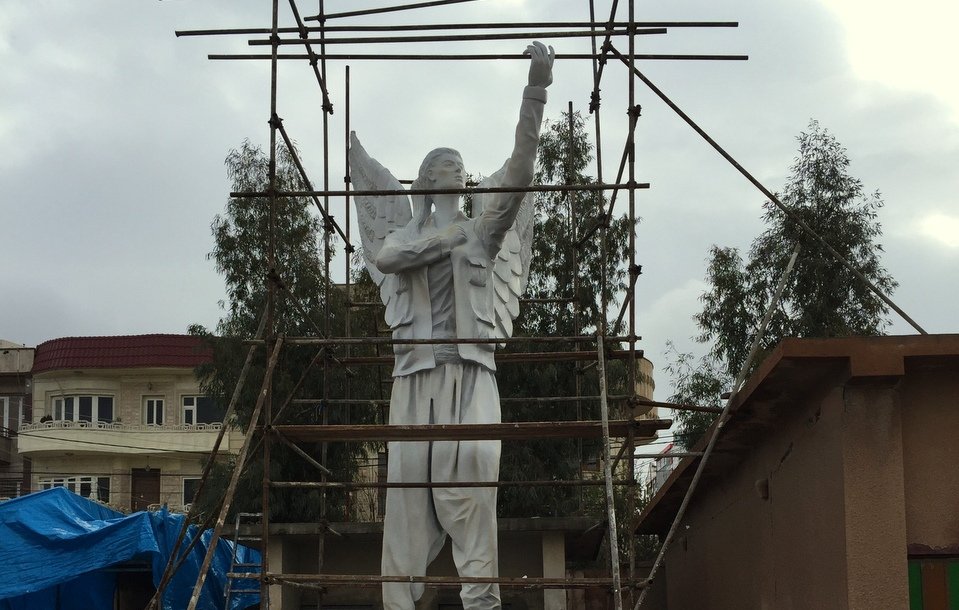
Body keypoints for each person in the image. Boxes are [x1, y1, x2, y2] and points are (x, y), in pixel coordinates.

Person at [374, 41, 554, 610]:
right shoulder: (409, 235)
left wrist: (536, 89)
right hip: (417, 380)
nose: (455, 168)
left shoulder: (482, 231)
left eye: (459, 164)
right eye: (443, 165)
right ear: (426, 181)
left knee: (476, 497)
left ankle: (482, 603)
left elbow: (522, 168)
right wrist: (438, 240)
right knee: (404, 509)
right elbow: (386, 259)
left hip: (473, 376)